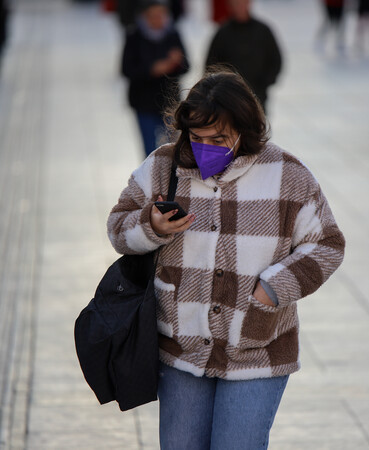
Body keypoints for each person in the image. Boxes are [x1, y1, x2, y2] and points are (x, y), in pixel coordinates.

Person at [107, 69, 345, 449]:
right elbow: (118, 228)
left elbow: (327, 244)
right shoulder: (162, 166)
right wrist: (150, 225)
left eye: (219, 138)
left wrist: (270, 290)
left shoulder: (288, 174)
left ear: (245, 129)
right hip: (181, 349)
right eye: (197, 137)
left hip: (258, 349)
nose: (205, 147)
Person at [121, 0, 189, 157]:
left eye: (161, 15)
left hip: (170, 103)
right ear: (145, 17)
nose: (158, 19)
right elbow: (126, 70)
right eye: (154, 16)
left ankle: (170, 180)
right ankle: (151, 180)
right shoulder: (134, 37)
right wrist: (152, 70)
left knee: (173, 149)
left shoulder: (173, 35)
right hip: (144, 103)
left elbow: (187, 65)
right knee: (150, 150)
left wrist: (175, 63)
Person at [205, 0, 282, 112]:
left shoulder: (263, 30)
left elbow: (276, 60)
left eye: (242, 3)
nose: (239, 7)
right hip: (228, 98)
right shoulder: (223, 33)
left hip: (257, 95)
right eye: (235, 4)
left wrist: (265, 82)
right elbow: (210, 64)